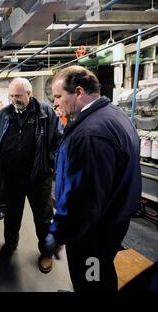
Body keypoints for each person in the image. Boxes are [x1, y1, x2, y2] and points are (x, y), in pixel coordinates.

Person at [45, 66, 141, 291]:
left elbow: (84, 198)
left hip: (92, 233)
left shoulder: (91, 133)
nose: (56, 103)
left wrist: (58, 234)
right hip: (110, 222)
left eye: (59, 96)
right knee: (100, 273)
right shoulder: (113, 115)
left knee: (91, 280)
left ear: (78, 92)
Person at [0, 78, 63, 273]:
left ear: (29, 94)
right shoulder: (4, 114)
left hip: (38, 178)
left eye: (18, 95)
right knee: (11, 215)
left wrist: (50, 165)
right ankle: (10, 243)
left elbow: (60, 141)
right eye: (11, 96)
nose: (14, 99)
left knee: (43, 220)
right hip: (12, 179)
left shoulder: (45, 112)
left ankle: (46, 253)